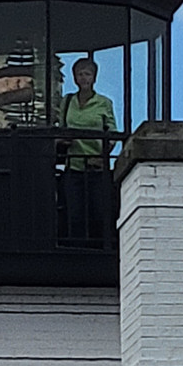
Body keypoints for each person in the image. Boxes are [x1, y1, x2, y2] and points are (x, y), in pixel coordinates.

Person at [59, 58, 116, 244]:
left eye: (87, 74)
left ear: (94, 77)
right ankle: (77, 246)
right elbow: (61, 129)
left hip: (96, 166)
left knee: (99, 211)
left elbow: (112, 133)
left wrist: (102, 157)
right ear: (74, 77)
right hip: (74, 165)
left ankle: (98, 245)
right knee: (74, 212)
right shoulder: (67, 102)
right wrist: (63, 140)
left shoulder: (104, 103)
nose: (83, 78)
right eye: (80, 74)